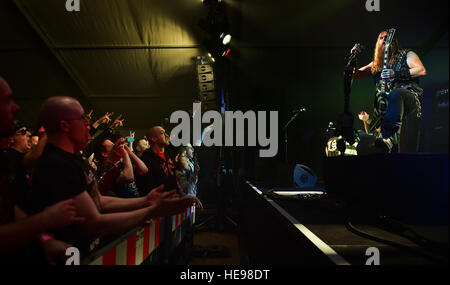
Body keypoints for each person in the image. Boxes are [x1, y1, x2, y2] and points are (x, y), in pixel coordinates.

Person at [31, 96, 194, 254]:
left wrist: (145, 201)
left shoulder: (73, 160)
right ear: (65, 125)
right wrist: (151, 210)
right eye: (82, 118)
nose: (88, 123)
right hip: (70, 253)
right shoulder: (57, 164)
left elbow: (98, 200)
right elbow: (94, 223)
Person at [0, 77, 84, 264]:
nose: (16, 107)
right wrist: (45, 219)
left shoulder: (4, 160)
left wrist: (44, 239)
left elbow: (11, 209)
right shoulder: (51, 162)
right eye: (6, 101)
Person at [352, 29, 427, 152]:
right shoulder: (377, 64)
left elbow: (421, 70)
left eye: (387, 37)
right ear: (377, 43)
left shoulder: (407, 54)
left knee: (396, 93)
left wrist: (395, 73)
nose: (384, 39)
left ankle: (389, 138)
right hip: (388, 109)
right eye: (381, 38)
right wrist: (353, 56)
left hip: (409, 99)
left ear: (394, 40)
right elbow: (355, 74)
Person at [139, 126, 178, 196]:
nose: (167, 135)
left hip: (174, 198)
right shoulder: (146, 159)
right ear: (153, 139)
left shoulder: (169, 153)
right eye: (162, 133)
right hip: (158, 201)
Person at [175, 146, 203, 211]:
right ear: (177, 158)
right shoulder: (178, 174)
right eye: (185, 157)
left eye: (189, 160)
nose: (188, 162)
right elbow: (186, 190)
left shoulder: (186, 174)